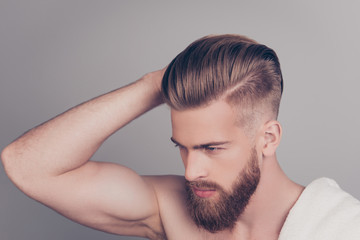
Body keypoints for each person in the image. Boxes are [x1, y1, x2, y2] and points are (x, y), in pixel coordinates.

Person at [2, 34, 360, 240]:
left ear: (268, 138)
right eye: (183, 148)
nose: (191, 172)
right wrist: (152, 87)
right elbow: (27, 167)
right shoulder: (173, 209)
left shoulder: (343, 226)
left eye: (212, 148)